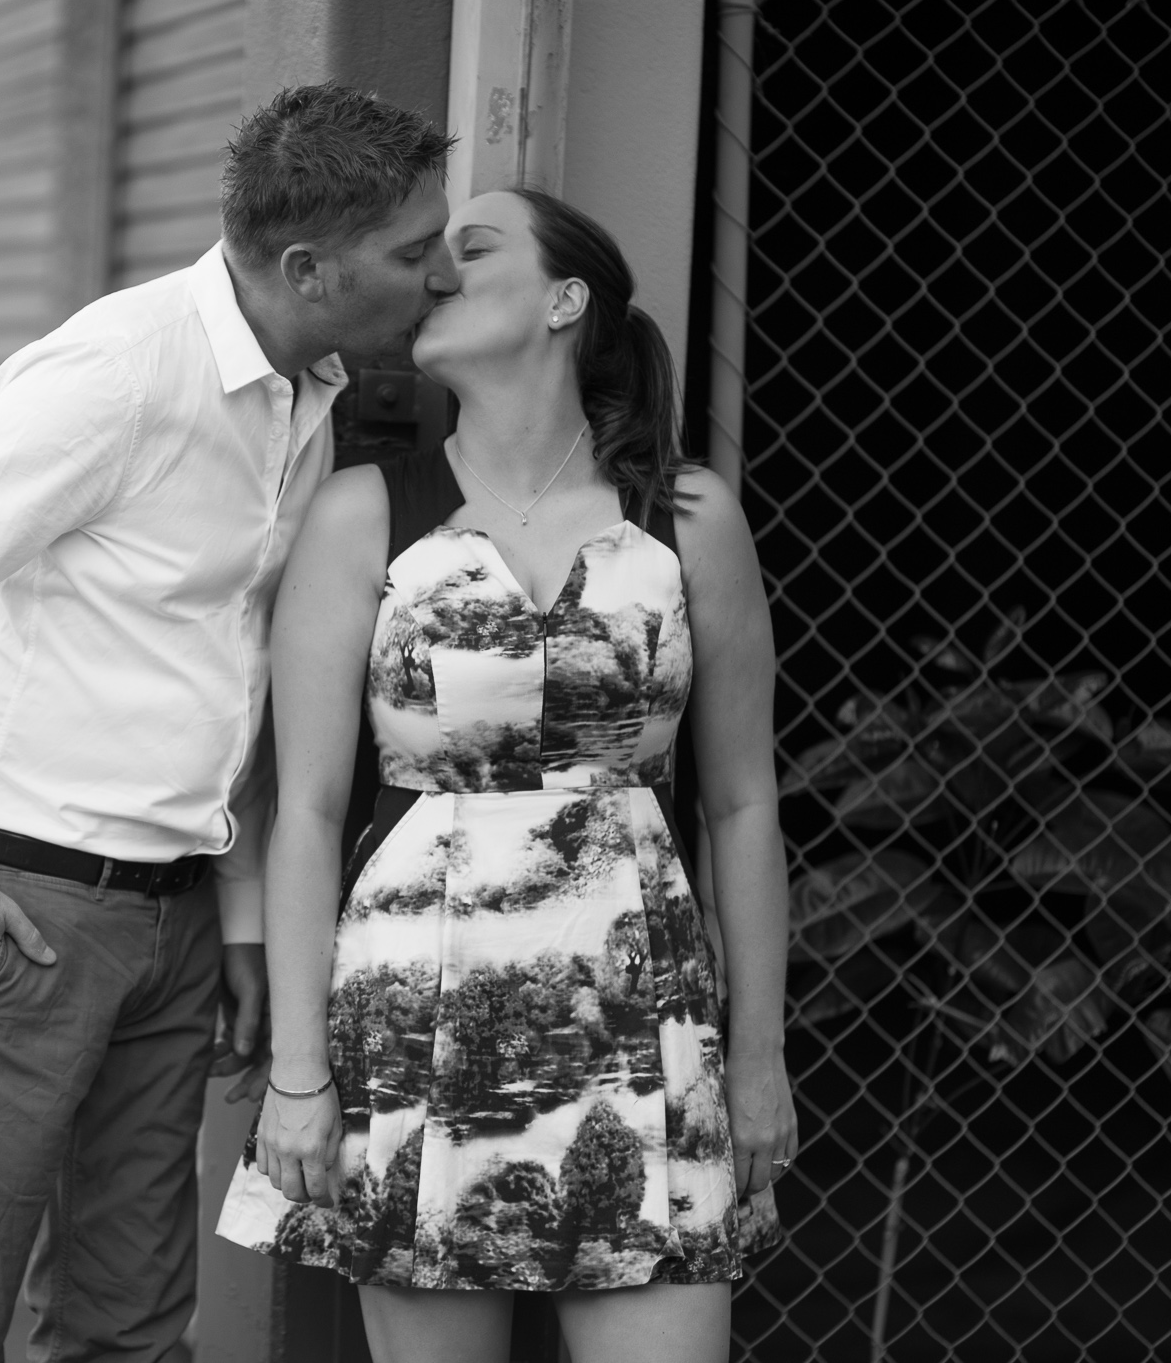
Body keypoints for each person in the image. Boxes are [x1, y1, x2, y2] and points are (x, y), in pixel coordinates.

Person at [0, 85, 461, 1361]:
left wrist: (223, 915)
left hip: (168, 925)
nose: (439, 276)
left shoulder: (309, 386)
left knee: (128, 1330)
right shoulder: (116, 374)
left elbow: (220, 670)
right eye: (411, 252)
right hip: (15, 912)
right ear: (305, 268)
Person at [215, 187, 795, 1362]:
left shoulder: (687, 519)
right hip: (412, 1013)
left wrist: (757, 1056)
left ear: (564, 300)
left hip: (642, 1028)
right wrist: (295, 1075)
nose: (433, 272)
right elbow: (307, 810)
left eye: (469, 250)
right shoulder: (361, 513)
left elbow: (740, 802)